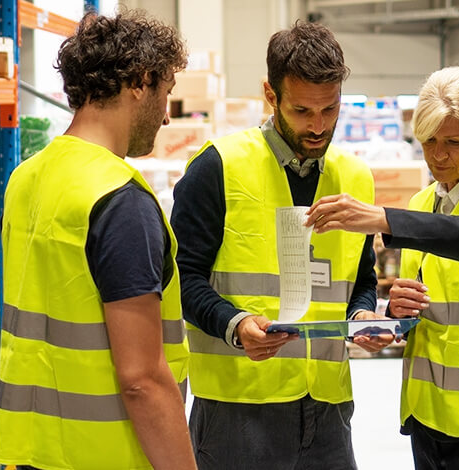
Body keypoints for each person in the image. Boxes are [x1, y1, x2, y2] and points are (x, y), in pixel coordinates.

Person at [305, 66, 459, 470]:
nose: (438, 155)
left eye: (454, 142)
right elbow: (442, 309)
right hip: (429, 418)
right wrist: (396, 314)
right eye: (429, 141)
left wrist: (385, 218)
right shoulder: (424, 203)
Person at [171, 20, 392, 470]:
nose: (318, 126)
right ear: (270, 95)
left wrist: (362, 316)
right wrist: (235, 323)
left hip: (328, 405)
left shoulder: (355, 177)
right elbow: (181, 279)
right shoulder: (218, 167)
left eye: (330, 110)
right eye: (302, 111)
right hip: (237, 407)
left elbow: (360, 279)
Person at [0, 10, 196, 470]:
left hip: (32, 453)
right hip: (107, 457)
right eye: (166, 94)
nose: (166, 117)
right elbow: (142, 379)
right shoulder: (119, 200)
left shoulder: (26, 178)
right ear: (140, 82)